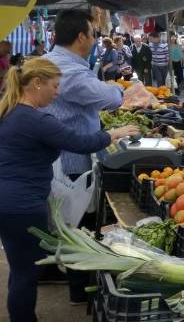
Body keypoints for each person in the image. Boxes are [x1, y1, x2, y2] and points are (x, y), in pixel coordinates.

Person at [0, 58, 137, 322]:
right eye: (54, 85)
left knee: (23, 266)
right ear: (37, 83)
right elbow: (79, 142)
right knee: (24, 273)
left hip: (9, 201)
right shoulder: (34, 119)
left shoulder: (11, 112)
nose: (57, 92)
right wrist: (115, 133)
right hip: (22, 206)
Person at [42, 9, 125, 305]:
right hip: (72, 161)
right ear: (81, 37)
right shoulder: (70, 71)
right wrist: (119, 90)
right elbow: (108, 98)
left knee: (65, 221)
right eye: (93, 34)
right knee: (80, 225)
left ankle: (67, 276)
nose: (95, 39)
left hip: (59, 159)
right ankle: (79, 289)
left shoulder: (52, 61)